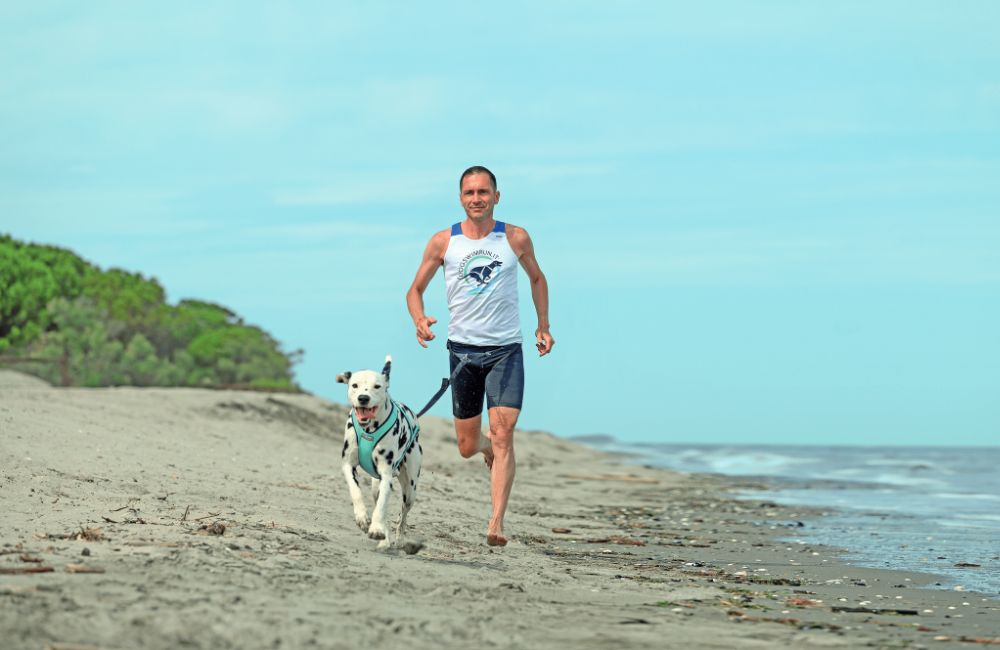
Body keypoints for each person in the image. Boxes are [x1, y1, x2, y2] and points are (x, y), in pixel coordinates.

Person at [406, 165, 553, 547]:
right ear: (461, 198)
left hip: (506, 350)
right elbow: (414, 290)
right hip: (463, 353)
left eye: (483, 192)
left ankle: (496, 523)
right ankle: (484, 446)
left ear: (496, 197)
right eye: (470, 193)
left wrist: (543, 324)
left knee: (504, 431)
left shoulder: (515, 237)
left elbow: (537, 278)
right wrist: (420, 319)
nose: (477, 199)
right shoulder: (444, 242)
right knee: (468, 447)